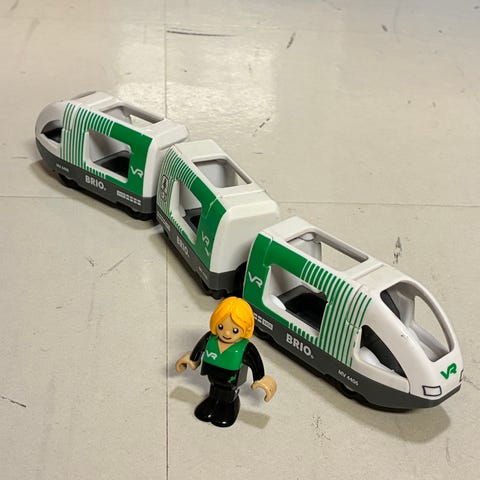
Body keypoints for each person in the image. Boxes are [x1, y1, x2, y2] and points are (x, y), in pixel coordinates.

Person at [175, 297, 277, 427]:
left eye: (235, 330)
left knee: (227, 395)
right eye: (221, 327)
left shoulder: (245, 348)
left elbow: (255, 362)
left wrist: (260, 379)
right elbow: (198, 349)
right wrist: (192, 359)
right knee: (214, 391)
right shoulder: (210, 339)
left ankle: (229, 405)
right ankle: (213, 401)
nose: (227, 333)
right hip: (213, 377)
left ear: (246, 328)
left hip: (231, 382)